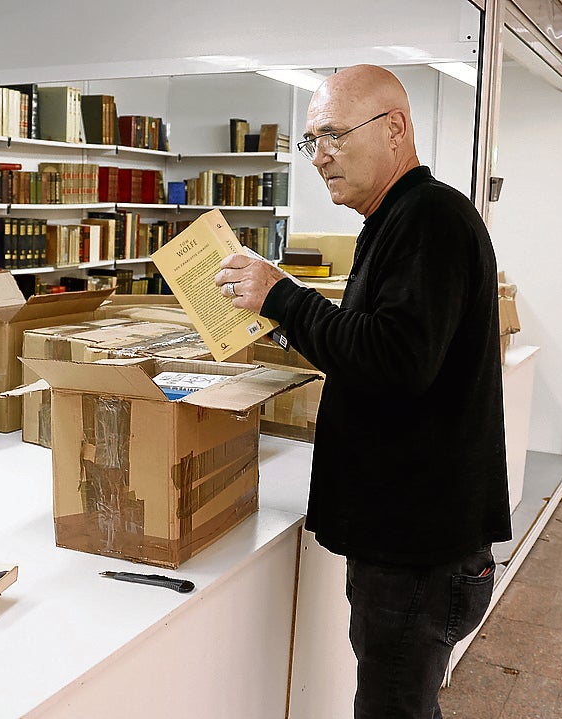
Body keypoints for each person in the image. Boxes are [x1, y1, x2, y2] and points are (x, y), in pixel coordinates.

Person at [213, 64, 509, 719]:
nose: (319, 155)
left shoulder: (428, 219)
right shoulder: (399, 219)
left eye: (335, 135)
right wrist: (286, 317)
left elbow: (397, 359)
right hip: (412, 547)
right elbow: (378, 343)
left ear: (396, 128)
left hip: (420, 555)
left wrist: (283, 296)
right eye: (311, 139)